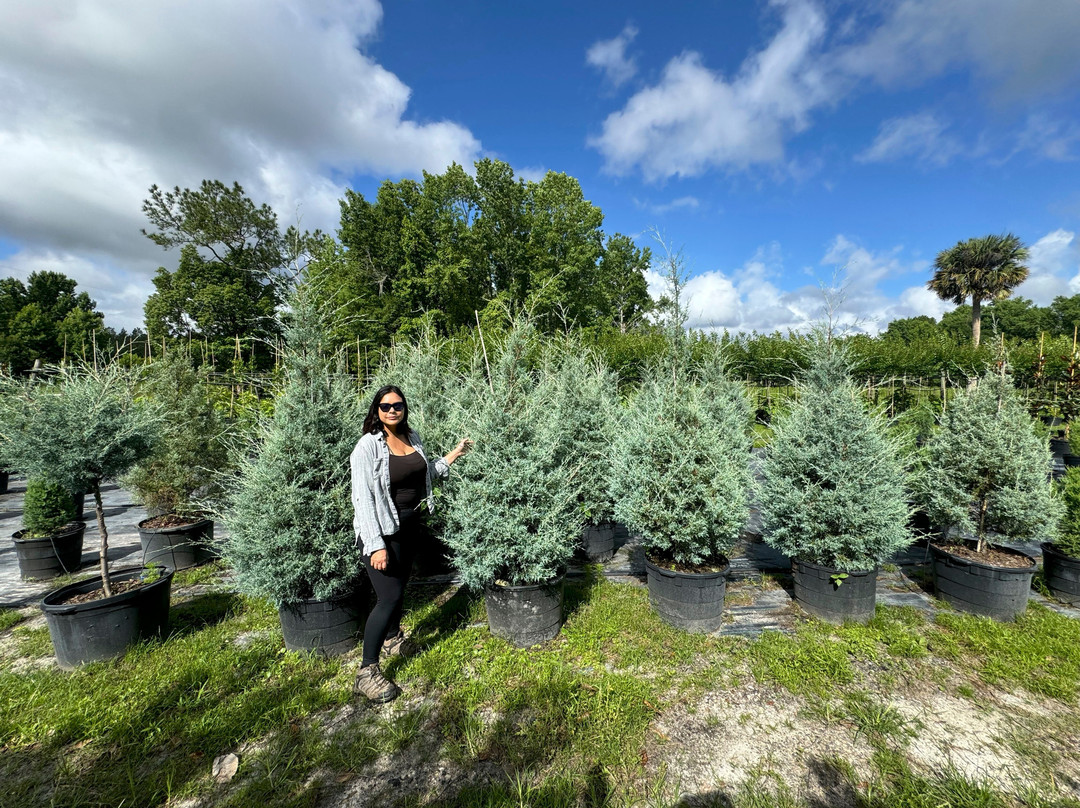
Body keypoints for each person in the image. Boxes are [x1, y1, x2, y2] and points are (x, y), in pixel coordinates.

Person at [350, 385, 471, 703]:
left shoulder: (411, 437)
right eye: (385, 405)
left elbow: (426, 472)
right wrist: (375, 544)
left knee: (399, 590)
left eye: (398, 405)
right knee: (388, 597)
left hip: (409, 528)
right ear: (376, 410)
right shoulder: (367, 447)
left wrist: (455, 454)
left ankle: (392, 638)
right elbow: (362, 499)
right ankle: (366, 672)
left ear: (404, 408)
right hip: (381, 533)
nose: (392, 410)